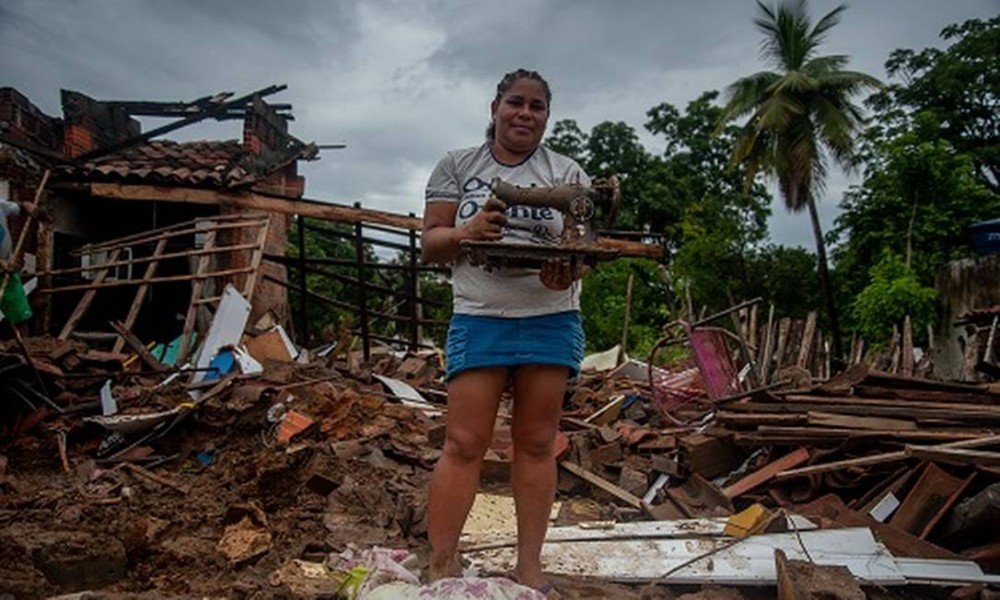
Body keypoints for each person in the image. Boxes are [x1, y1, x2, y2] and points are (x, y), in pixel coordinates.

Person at [422, 68, 588, 596]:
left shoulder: (566, 171)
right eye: (515, 103)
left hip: (551, 317)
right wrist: (468, 232)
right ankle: (442, 562)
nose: (525, 113)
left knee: (537, 442)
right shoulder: (458, 165)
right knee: (464, 442)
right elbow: (431, 243)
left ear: (546, 116)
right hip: (480, 314)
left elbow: (585, 246)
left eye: (536, 107)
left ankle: (529, 568)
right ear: (495, 107)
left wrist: (569, 267)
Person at [0, 188, 35, 327]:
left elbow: (19, 207)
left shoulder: (0, 205)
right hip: (4, 266)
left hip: (7, 272)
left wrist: (28, 206)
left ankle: (22, 345)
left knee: (20, 315)